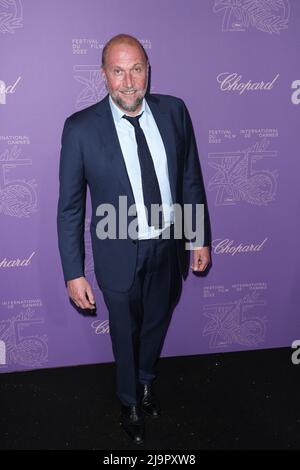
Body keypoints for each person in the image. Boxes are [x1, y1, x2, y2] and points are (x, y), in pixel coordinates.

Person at [57, 34, 211, 445]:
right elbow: (71, 208)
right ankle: (128, 400)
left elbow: (190, 179)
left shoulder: (175, 112)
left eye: (136, 69)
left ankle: (146, 381)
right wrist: (73, 272)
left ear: (148, 69)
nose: (129, 82)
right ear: (104, 75)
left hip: (168, 243)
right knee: (123, 331)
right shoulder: (80, 128)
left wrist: (198, 238)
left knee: (158, 320)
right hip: (117, 247)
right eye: (118, 71)